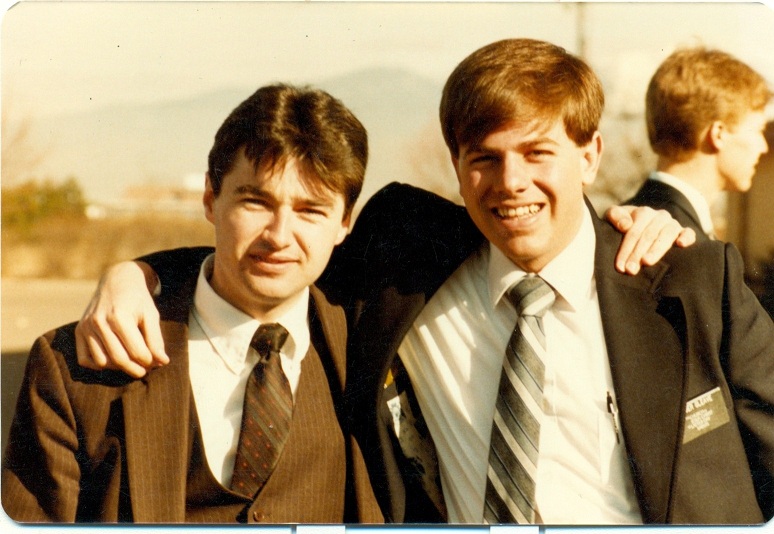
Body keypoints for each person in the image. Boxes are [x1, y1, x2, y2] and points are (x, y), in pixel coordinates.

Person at [71, 41, 705, 524]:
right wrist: (137, 273)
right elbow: (273, 257)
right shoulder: (407, 260)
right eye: (484, 157)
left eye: (538, 153)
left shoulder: (687, 279)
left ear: (590, 157)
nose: (511, 181)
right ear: (456, 164)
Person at [1, 84, 382, 523]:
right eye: (255, 201)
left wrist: (136, 270)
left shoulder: (371, 344)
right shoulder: (73, 369)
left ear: (344, 222)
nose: (279, 236)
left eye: (311, 210)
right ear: (210, 199)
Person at [627, 46, 771, 240]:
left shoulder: (616, 225)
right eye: (758, 130)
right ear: (718, 134)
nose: (763, 147)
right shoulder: (695, 245)